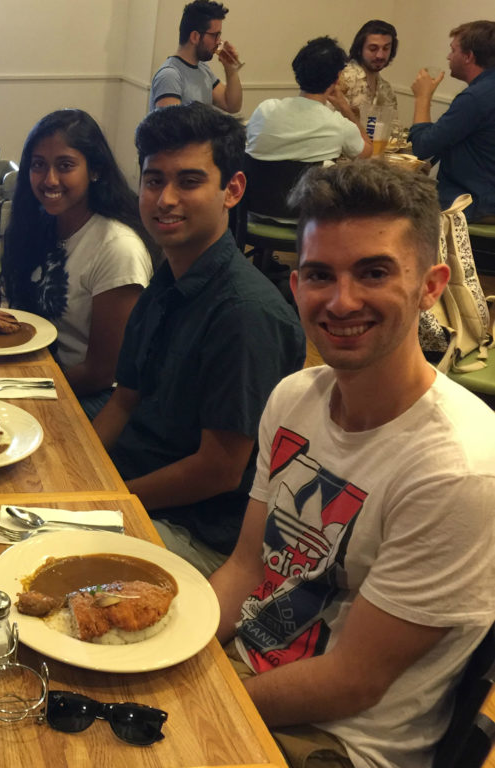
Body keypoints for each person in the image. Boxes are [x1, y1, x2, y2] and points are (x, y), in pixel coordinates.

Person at [210, 160, 495, 768]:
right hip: (248, 673)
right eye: (319, 274)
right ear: (295, 286)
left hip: (336, 740)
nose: (342, 302)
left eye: (373, 273)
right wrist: (171, 655)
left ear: (431, 284)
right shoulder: (295, 397)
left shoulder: (459, 468)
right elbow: (243, 568)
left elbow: (353, 681)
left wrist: (199, 698)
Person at [92, 103, 305, 575]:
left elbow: (220, 470)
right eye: (153, 180)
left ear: (232, 190)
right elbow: (125, 400)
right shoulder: (168, 277)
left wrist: (109, 499)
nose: (165, 198)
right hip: (135, 484)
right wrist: (82, 471)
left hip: (199, 531)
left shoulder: (245, 314)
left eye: (188, 181)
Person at [0, 109, 156, 419]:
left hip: (93, 397)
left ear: (94, 171)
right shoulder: (42, 222)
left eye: (65, 166)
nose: (49, 179)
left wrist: (17, 390)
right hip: (39, 373)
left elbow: (101, 371)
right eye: (38, 165)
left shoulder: (117, 248)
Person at [410, 21, 495, 222]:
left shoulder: (475, 98)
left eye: (453, 50)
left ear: (468, 56)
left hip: (473, 204)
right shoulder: (486, 90)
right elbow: (456, 137)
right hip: (487, 198)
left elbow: (422, 147)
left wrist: (423, 98)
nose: (449, 56)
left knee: (395, 202)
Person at [246, 37, 371, 163]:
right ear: (338, 77)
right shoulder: (339, 126)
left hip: (256, 182)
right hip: (308, 183)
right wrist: (345, 109)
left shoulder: (265, 109)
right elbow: (367, 153)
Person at [149, 0, 243, 114]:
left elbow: (231, 106)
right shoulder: (170, 76)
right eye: (215, 35)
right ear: (195, 37)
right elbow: (171, 130)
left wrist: (230, 69)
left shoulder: (203, 69)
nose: (219, 42)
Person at [337, 19, 400, 123]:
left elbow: (393, 129)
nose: (380, 55)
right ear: (359, 48)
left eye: (386, 48)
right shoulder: (343, 78)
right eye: (373, 49)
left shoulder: (387, 90)